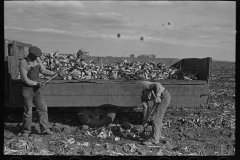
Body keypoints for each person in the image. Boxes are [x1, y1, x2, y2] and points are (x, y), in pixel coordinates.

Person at [17, 46, 62, 137]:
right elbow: (25, 79)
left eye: (37, 57)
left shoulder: (37, 59)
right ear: (30, 55)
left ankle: (45, 129)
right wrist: (36, 83)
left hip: (36, 90)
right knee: (28, 111)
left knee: (43, 108)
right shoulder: (23, 62)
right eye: (34, 57)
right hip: (27, 89)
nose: (36, 58)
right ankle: (26, 131)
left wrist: (54, 73)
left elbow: (43, 70)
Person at [140, 81, 171, 145]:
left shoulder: (144, 84)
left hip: (164, 97)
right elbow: (145, 107)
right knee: (157, 118)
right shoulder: (143, 96)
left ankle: (154, 139)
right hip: (162, 97)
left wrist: (157, 96)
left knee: (156, 118)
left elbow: (157, 84)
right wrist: (145, 120)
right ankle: (157, 136)